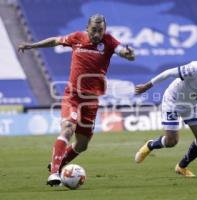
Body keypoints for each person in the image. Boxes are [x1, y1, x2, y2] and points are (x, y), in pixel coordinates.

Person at [18, 14, 135, 186]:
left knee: (82, 144)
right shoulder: (77, 37)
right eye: (94, 30)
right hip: (72, 96)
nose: (97, 34)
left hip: (91, 101)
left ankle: (58, 164)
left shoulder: (109, 41)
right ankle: (53, 174)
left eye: (100, 31)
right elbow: (55, 41)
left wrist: (129, 55)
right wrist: (31, 46)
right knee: (67, 129)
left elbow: (122, 51)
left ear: (105, 30)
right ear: (87, 28)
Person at [134, 52, 197, 177]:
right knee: (171, 142)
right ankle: (150, 145)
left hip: (192, 105)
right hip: (173, 101)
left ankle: (181, 167)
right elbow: (169, 73)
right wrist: (147, 86)